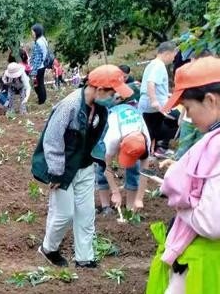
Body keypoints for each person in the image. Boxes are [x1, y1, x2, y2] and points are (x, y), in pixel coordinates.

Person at [144, 57, 220, 294]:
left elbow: (212, 220)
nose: (187, 118)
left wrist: (178, 199)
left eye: (189, 108)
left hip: (211, 254)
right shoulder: (212, 141)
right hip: (197, 253)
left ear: (213, 101)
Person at [31, 65, 133, 268]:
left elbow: (98, 139)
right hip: (64, 169)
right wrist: (56, 173)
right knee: (64, 214)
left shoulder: (101, 110)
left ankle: (84, 258)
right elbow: (52, 140)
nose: (115, 98)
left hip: (85, 166)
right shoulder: (69, 105)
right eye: (113, 93)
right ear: (100, 90)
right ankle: (48, 249)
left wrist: (103, 161)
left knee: (86, 214)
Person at [96, 85, 150, 214]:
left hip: (131, 117)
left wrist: (140, 198)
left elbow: (145, 172)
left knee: (135, 168)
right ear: (121, 145)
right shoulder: (113, 137)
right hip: (113, 116)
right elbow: (106, 166)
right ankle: (105, 206)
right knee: (99, 162)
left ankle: (131, 206)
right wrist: (115, 192)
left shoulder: (145, 140)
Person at [138, 41, 177, 154]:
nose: (173, 59)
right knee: (174, 121)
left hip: (152, 104)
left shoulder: (153, 64)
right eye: (173, 56)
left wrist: (166, 95)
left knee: (153, 128)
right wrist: (154, 101)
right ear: (167, 53)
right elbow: (151, 83)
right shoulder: (158, 65)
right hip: (153, 105)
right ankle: (152, 150)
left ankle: (153, 150)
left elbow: (152, 84)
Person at [30, 23, 50, 105]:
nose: (31, 34)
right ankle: (43, 99)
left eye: (32, 32)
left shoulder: (38, 42)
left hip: (39, 66)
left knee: (38, 84)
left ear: (36, 32)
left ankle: (41, 101)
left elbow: (38, 58)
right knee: (40, 83)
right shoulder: (43, 39)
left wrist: (34, 70)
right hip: (43, 65)